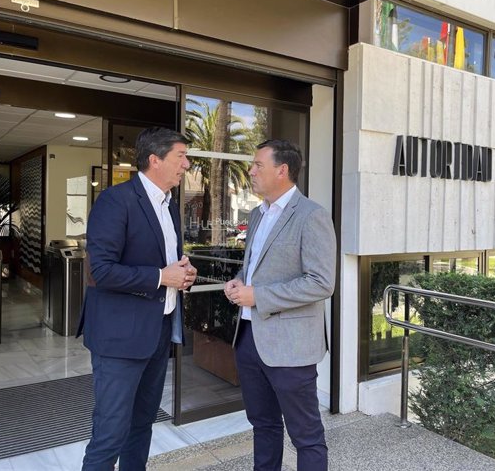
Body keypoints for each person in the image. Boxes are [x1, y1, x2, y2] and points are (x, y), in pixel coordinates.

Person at [77, 127, 197, 471]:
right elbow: (100, 271)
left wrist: (184, 272)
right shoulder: (116, 200)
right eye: (180, 156)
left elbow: (165, 260)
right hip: (119, 340)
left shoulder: (170, 206)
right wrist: (162, 276)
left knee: (142, 425)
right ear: (154, 160)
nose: (186, 164)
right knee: (110, 433)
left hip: (157, 333)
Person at [224, 139, 336, 471]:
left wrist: (258, 296)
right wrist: (239, 280)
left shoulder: (312, 216)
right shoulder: (257, 215)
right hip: (248, 339)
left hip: (291, 347)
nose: (251, 171)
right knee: (264, 425)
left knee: (307, 437)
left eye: (258, 165)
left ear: (282, 170)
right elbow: (255, 267)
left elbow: (321, 282)